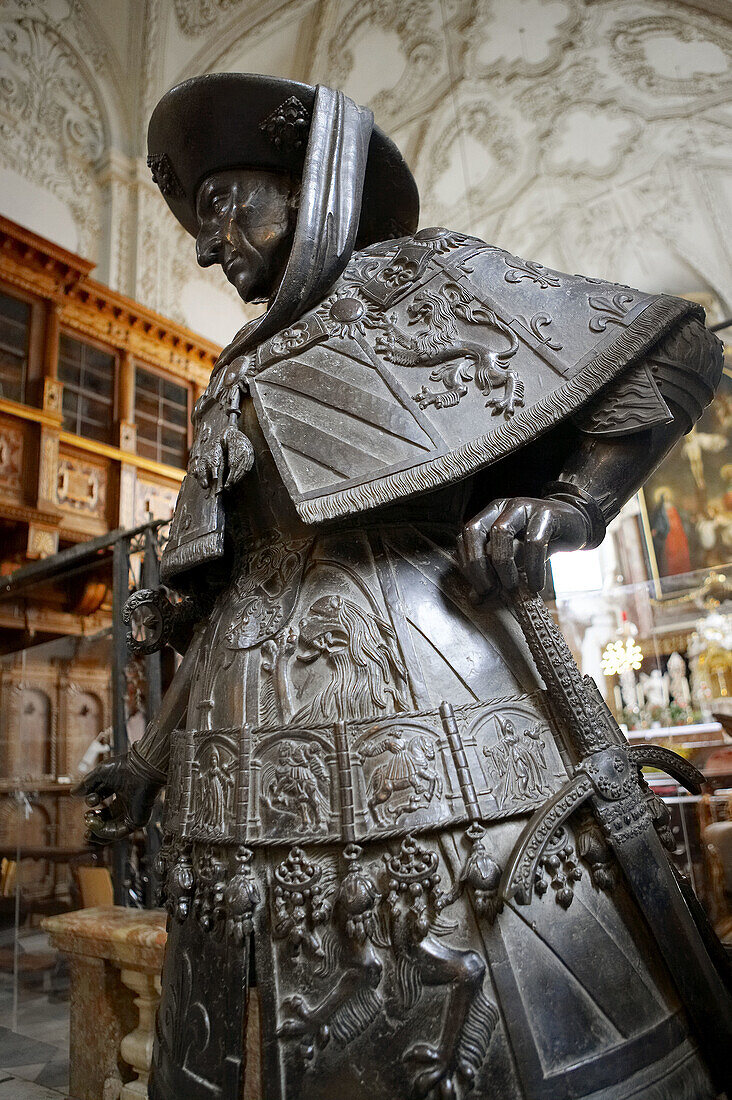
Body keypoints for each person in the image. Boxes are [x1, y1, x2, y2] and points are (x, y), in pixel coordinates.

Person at [77, 74, 725, 1100]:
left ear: (310, 179)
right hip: (240, 774)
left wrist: (570, 504)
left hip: (442, 728)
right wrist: (151, 759)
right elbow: (226, 593)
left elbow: (675, 356)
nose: (208, 246)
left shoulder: (423, 278)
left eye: (223, 205)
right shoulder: (233, 372)